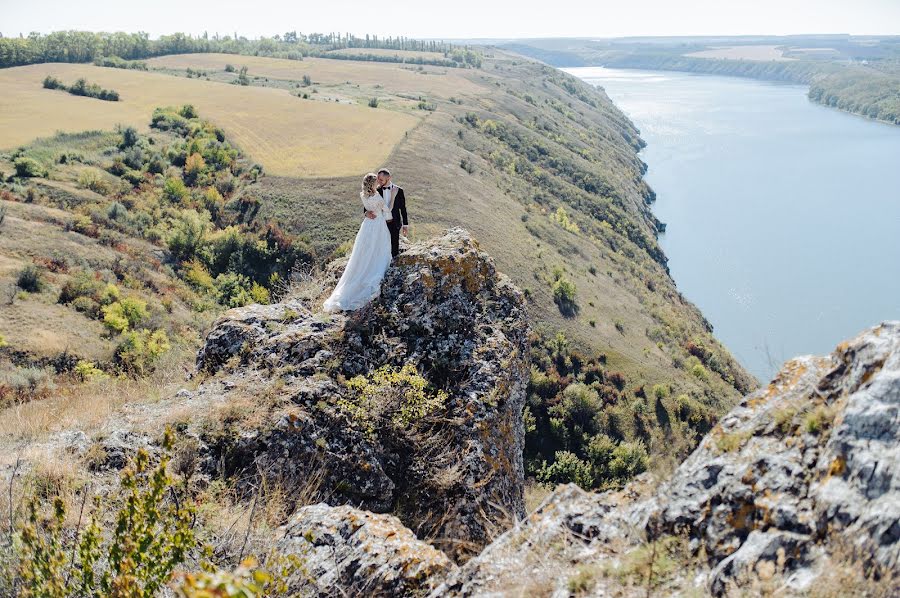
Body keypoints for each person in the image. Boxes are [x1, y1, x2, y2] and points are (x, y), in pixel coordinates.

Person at [323, 173, 393, 312]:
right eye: (376, 182)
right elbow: (386, 210)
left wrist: (368, 212)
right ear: (373, 184)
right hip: (378, 224)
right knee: (379, 246)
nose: (378, 183)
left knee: (364, 249)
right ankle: (376, 265)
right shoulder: (377, 196)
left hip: (367, 225)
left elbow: (367, 208)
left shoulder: (363, 195)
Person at [365, 168, 408, 258]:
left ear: (388, 178)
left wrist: (405, 225)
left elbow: (403, 209)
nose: (379, 182)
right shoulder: (376, 191)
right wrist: (366, 213)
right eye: (378, 179)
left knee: (394, 247)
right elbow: (367, 205)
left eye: (381, 180)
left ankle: (393, 266)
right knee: (382, 247)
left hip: (394, 222)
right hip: (381, 223)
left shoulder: (399, 191)